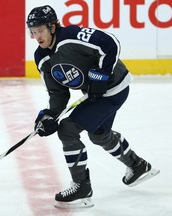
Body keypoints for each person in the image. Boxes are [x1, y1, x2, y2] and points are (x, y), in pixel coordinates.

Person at [27, 5, 160, 209]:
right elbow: (58, 93)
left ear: (53, 27)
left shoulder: (71, 35)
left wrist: (102, 74)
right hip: (97, 95)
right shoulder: (42, 57)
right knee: (99, 134)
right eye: (33, 32)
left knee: (68, 129)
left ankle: (82, 187)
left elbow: (110, 43)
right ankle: (138, 166)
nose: (37, 36)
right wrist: (48, 116)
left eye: (40, 30)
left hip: (114, 88)